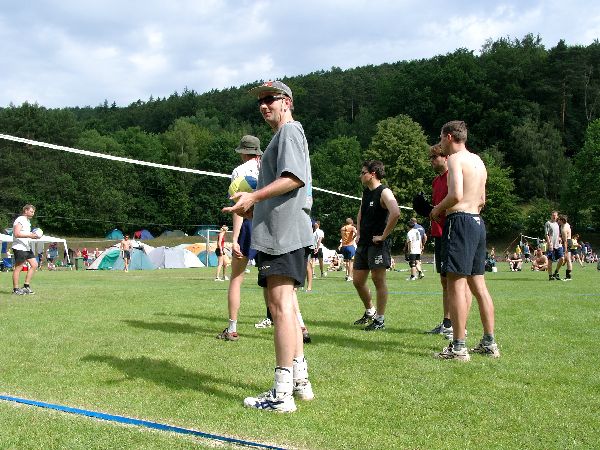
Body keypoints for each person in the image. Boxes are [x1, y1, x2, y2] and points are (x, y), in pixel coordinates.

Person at [223, 80, 313, 412]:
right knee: (286, 308)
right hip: (282, 231)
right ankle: (300, 382)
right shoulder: (284, 136)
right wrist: (251, 208)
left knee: (280, 309)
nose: (264, 105)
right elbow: (285, 189)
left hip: (283, 234)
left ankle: (281, 394)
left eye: (270, 99)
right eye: (260, 101)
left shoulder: (289, 132)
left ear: (286, 102)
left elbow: (294, 179)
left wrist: (254, 196)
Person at [430, 120, 500, 360]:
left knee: (456, 285)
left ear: (449, 137)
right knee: (479, 285)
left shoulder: (454, 160)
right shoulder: (478, 161)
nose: (440, 143)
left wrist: (437, 209)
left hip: (459, 222)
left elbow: (456, 195)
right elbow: (482, 200)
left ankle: (458, 347)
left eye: (441, 138)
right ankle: (489, 343)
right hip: (477, 222)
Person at [217, 136, 262, 341]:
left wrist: (235, 238)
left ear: (243, 152)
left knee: (236, 277)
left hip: (249, 225)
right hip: (269, 225)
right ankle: (299, 325)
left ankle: (232, 328)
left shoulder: (239, 171)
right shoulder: (268, 167)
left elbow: (238, 206)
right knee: (277, 280)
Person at [425, 143, 472, 338]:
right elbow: (437, 208)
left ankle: (461, 326)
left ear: (445, 157)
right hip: (439, 233)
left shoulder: (453, 176)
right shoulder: (436, 181)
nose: (431, 161)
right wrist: (426, 209)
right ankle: (447, 322)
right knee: (444, 280)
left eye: (434, 157)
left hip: (453, 231)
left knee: (458, 281)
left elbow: (458, 202)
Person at [351, 160, 400, 331]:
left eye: (363, 172)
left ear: (373, 174)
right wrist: (358, 232)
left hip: (377, 244)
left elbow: (396, 213)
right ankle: (370, 311)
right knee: (357, 281)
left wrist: (383, 236)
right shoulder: (366, 192)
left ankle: (380, 319)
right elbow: (360, 213)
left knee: (378, 281)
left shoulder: (384, 191)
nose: (360, 175)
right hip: (364, 242)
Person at [11, 204, 40, 295]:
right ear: (26, 211)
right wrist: (30, 235)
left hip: (26, 247)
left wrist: (34, 236)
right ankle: (16, 289)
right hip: (19, 247)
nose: (33, 213)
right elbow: (16, 234)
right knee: (19, 267)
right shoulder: (20, 219)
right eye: (31, 211)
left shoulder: (28, 221)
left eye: (33, 212)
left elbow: (26, 234)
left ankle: (26, 286)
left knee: (34, 265)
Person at [544, 211, 563, 281]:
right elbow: (546, 234)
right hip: (551, 244)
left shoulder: (557, 224)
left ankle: (556, 272)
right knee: (550, 261)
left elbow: (558, 233)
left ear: (557, 216)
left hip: (558, 245)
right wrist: (549, 243)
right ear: (551, 216)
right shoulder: (548, 223)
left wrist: (560, 238)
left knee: (562, 258)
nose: (554, 216)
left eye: (555, 215)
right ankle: (550, 276)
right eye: (553, 215)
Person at [554, 214, 573, 281]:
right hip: (569, 241)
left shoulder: (564, 229)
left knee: (568, 259)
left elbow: (565, 241)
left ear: (562, 220)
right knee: (567, 259)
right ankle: (566, 275)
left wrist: (565, 251)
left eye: (559, 220)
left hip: (567, 242)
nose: (557, 221)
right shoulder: (566, 224)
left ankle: (568, 276)